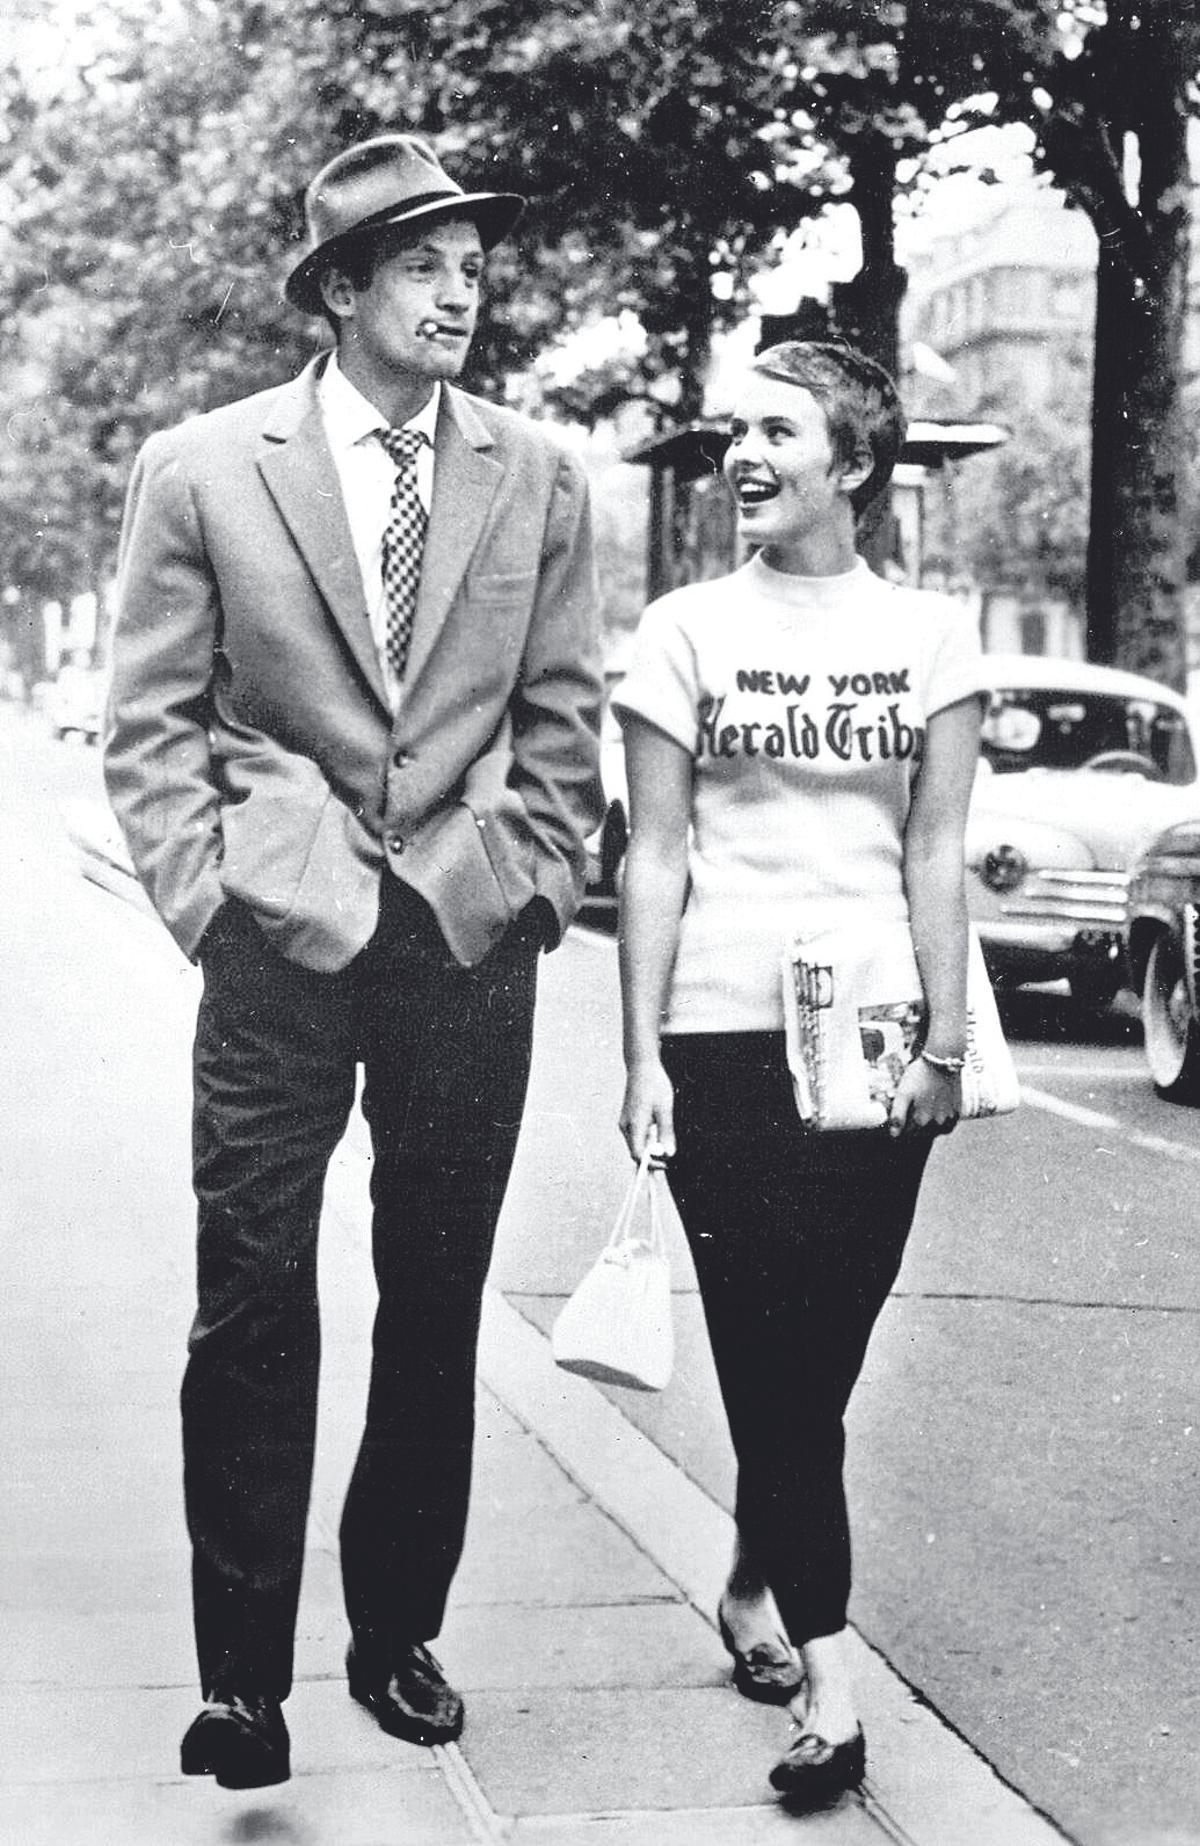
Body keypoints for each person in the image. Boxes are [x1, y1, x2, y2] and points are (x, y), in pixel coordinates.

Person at [104, 133, 604, 1791]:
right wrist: (208, 901)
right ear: (339, 291)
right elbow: (154, 719)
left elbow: (562, 718)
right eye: (424, 265)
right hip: (279, 936)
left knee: (435, 1297)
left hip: (464, 940)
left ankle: (396, 1633)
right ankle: (243, 1681)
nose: (465, 291)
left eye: (476, 264)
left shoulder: (539, 472)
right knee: (248, 1295)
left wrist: (518, 883)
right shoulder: (201, 467)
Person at [614, 340, 981, 1807]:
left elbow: (935, 846)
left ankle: (759, 1570)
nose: (742, 455)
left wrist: (952, 1042)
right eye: (734, 431)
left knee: (819, 1354)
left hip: (880, 1039)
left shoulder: (933, 634)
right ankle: (832, 1682)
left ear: (857, 465)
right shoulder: (683, 629)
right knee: (770, 1353)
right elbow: (652, 852)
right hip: (718, 1032)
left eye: (778, 430)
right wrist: (637, 1052)